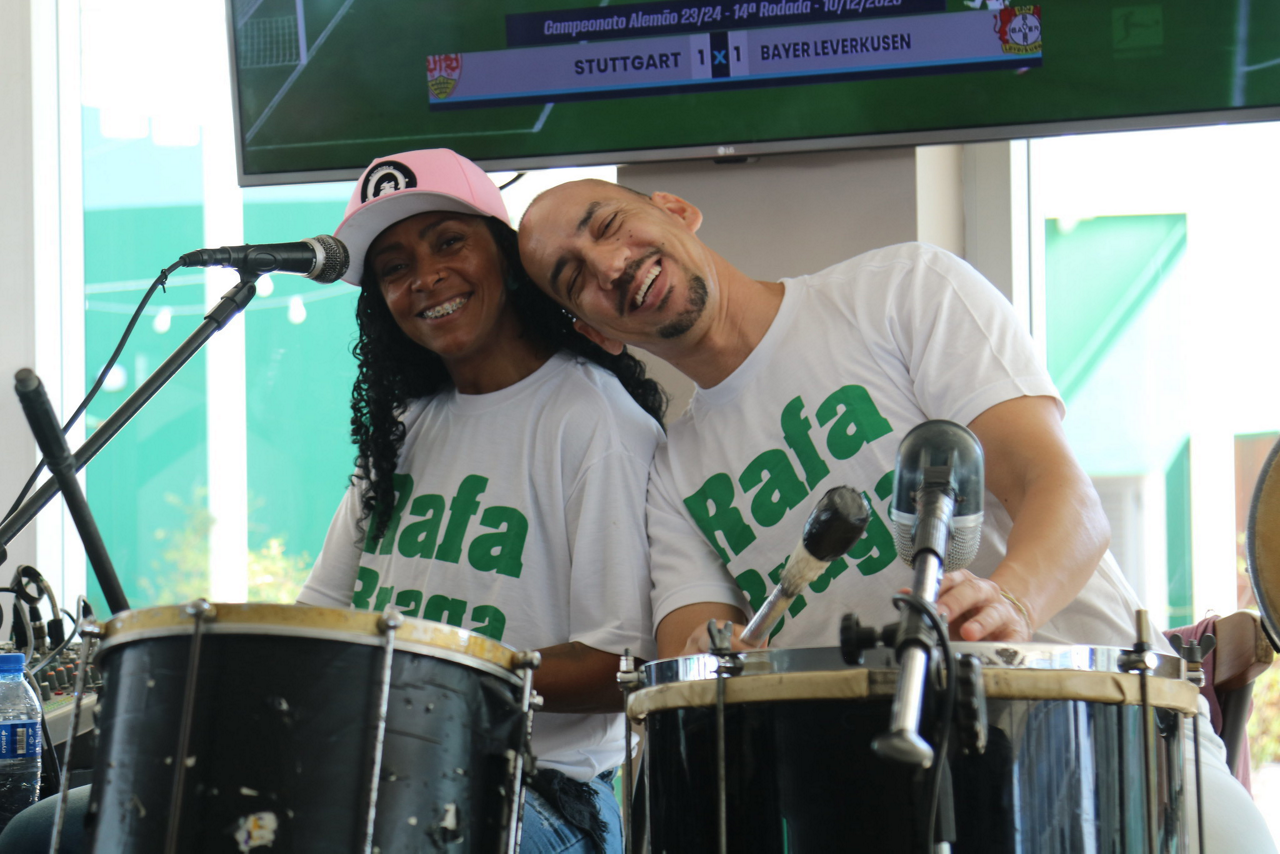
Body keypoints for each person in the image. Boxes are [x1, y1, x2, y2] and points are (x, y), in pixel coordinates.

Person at [516, 178, 1275, 851]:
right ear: (595, 332)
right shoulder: (671, 473)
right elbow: (698, 656)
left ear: (676, 210)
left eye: (607, 226)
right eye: (574, 278)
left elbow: (1064, 495)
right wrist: (716, 657)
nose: (609, 266)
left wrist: (1012, 602)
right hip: (871, 796)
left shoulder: (903, 289)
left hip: (1107, 726)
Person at [293, 151, 666, 854]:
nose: (425, 277)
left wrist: (437, 675)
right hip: (380, 778)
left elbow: (619, 664)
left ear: (507, 257)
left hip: (542, 795)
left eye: (449, 242)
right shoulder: (401, 431)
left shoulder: (593, 420)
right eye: (394, 267)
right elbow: (321, 623)